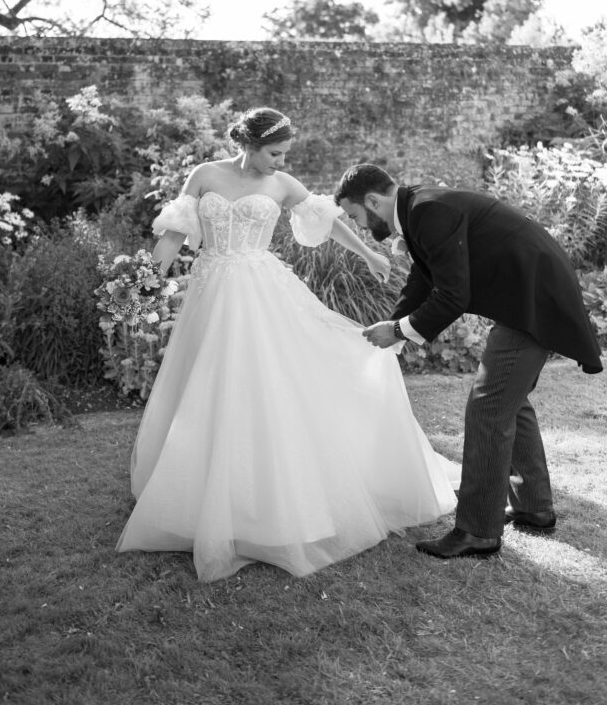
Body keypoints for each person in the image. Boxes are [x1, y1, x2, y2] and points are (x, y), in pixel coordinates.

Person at [116, 108, 459, 581]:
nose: (280, 162)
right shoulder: (204, 175)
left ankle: (271, 501)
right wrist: (143, 286)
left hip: (263, 291)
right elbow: (175, 235)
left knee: (269, 386)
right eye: (274, 153)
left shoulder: (281, 184)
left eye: (284, 154)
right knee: (207, 386)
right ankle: (196, 496)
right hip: (211, 292)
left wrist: (369, 252)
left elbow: (326, 217)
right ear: (249, 145)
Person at [334, 163, 603, 560]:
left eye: (355, 215)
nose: (358, 225)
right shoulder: (418, 208)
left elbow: (452, 295)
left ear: (372, 201)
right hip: (526, 296)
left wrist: (399, 331)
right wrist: (394, 325)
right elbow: (425, 279)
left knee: (489, 407)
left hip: (533, 300)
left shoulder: (427, 210)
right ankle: (534, 507)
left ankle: (477, 530)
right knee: (508, 402)